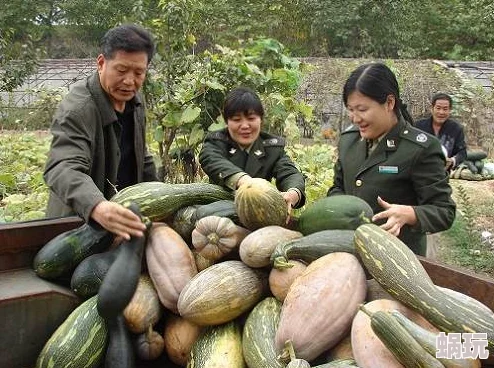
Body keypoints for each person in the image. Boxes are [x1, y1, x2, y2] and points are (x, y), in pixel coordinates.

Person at [328, 63, 456, 255]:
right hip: (351, 253)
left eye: (362, 109)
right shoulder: (349, 141)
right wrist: (340, 209)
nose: (355, 118)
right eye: (350, 109)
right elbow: (338, 187)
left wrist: (410, 214)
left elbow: (444, 211)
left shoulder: (420, 148)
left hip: (399, 260)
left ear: (389, 103)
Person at [44, 24, 158, 240]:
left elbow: (142, 158)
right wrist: (97, 206)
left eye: (139, 73)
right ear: (101, 63)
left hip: (121, 225)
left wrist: (165, 195)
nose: (129, 81)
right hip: (78, 228)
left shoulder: (135, 102)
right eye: (121, 70)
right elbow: (63, 167)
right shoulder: (78, 108)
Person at [199, 86, 306, 216]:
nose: (245, 126)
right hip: (217, 214)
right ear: (227, 121)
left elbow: (289, 174)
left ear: (261, 119)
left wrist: (293, 193)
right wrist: (245, 181)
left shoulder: (272, 148)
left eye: (251, 118)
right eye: (237, 119)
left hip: (257, 214)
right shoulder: (216, 142)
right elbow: (210, 158)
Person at [415, 93, 467, 171]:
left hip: (443, 173)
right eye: (438, 108)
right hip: (419, 171)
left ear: (450, 110)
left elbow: (462, 153)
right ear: (432, 108)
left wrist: (452, 160)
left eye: (445, 109)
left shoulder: (456, 128)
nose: (441, 112)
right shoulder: (418, 126)